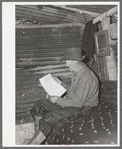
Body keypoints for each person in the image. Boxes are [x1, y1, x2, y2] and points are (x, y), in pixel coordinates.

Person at [29, 47, 99, 144]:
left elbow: (78, 103)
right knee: (40, 104)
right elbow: (73, 91)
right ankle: (37, 135)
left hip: (83, 108)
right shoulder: (77, 72)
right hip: (75, 102)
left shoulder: (87, 77)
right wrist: (60, 83)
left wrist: (57, 100)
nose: (66, 65)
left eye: (67, 62)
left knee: (49, 118)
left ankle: (33, 145)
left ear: (75, 62)